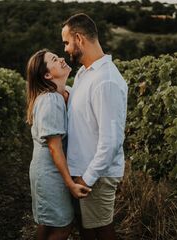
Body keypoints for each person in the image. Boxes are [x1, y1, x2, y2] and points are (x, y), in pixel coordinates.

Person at [61, 13, 128, 240]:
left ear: (79, 39)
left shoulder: (106, 80)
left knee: (102, 232)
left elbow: (111, 142)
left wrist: (87, 178)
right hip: (83, 171)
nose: (66, 49)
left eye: (67, 42)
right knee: (88, 233)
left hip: (95, 175)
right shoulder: (84, 73)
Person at [26, 49, 91, 240]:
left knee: (49, 225)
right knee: (62, 226)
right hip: (49, 174)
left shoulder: (65, 92)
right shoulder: (50, 100)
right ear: (47, 75)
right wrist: (70, 184)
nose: (61, 59)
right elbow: (55, 148)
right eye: (54, 59)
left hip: (54, 171)